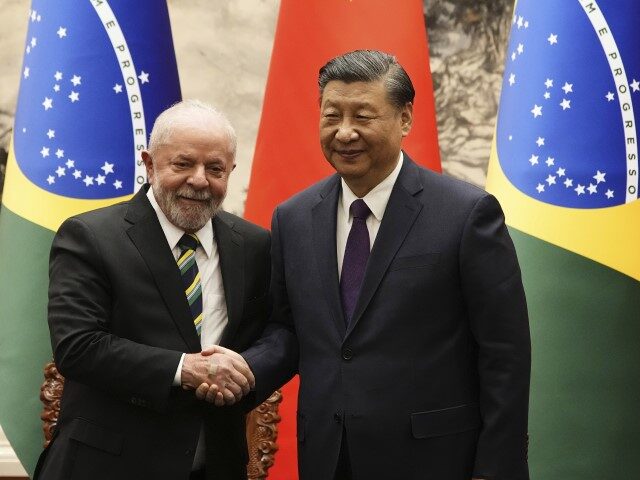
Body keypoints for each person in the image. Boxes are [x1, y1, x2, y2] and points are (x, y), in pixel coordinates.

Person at [202, 50, 531, 480]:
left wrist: (496, 469)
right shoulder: (294, 217)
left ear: (405, 118)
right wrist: (243, 371)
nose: (344, 132)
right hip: (327, 455)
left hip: (434, 459)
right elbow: (289, 329)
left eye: (363, 116)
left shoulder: (466, 214)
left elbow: (505, 352)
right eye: (331, 115)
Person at [34, 100, 269, 480]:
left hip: (216, 466)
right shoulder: (90, 236)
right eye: (182, 164)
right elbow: (77, 346)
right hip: (108, 466)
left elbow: (278, 334)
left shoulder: (255, 246)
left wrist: (244, 372)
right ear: (148, 163)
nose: (199, 179)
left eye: (215, 169)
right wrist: (184, 369)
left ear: (231, 172)